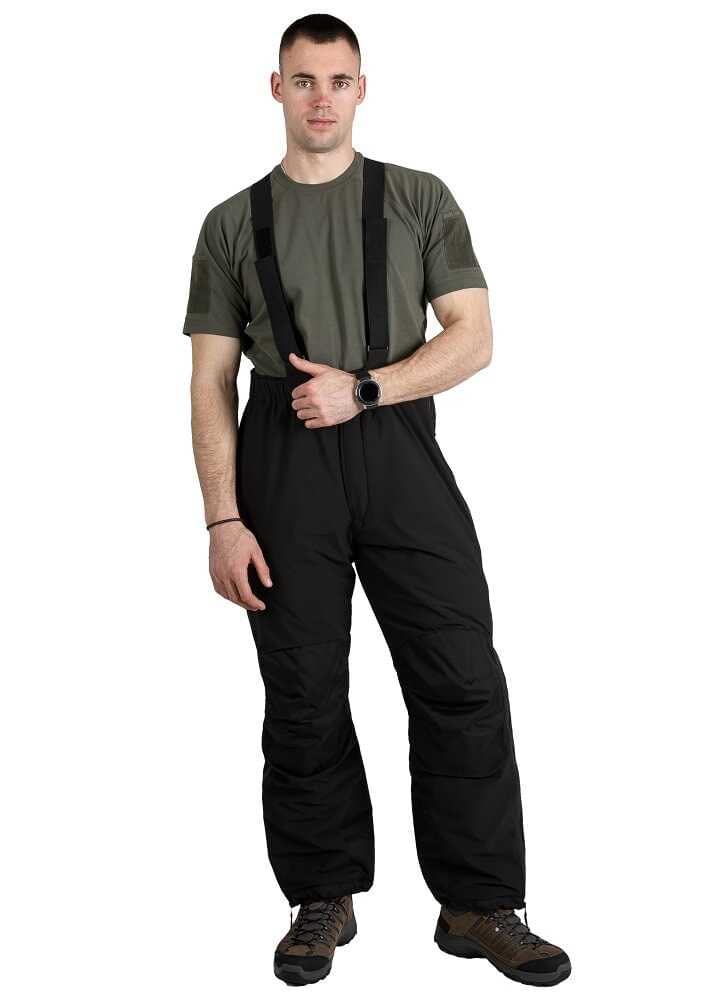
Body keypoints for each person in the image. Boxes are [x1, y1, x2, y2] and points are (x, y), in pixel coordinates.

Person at [182, 12, 570, 990]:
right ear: (276, 88)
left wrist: (364, 389)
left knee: (461, 673)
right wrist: (223, 519)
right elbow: (209, 379)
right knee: (303, 688)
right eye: (304, 80)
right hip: (280, 457)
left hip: (396, 443)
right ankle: (321, 895)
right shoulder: (230, 223)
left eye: (339, 80)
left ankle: (479, 902)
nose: (321, 98)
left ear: (363, 88)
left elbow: (473, 337)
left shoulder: (418, 198)